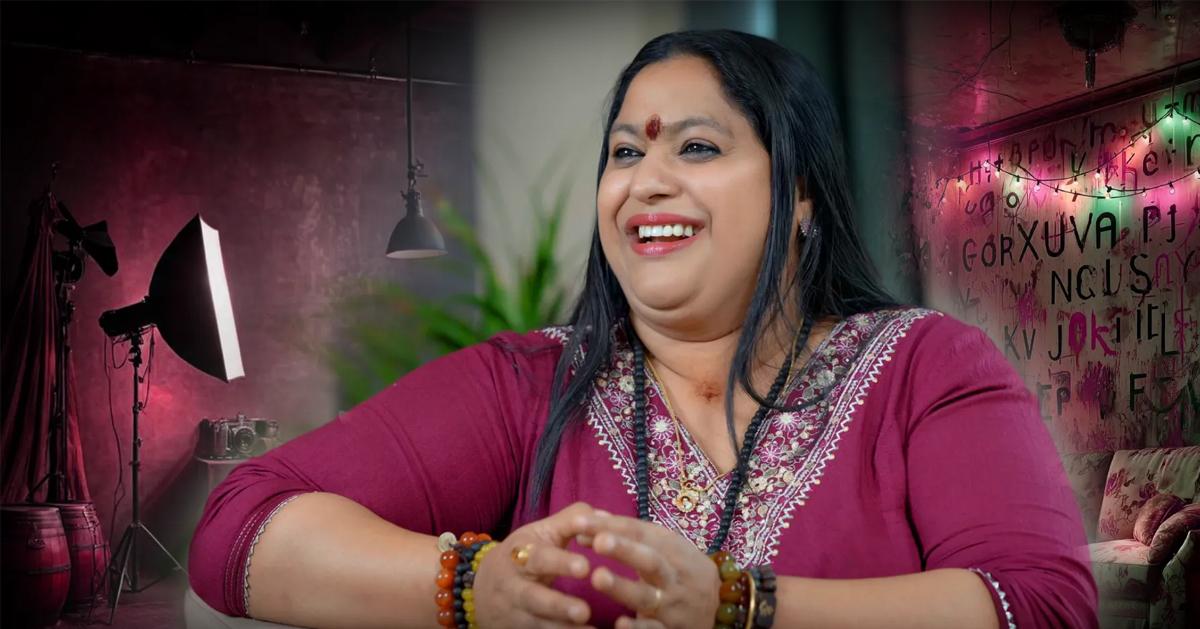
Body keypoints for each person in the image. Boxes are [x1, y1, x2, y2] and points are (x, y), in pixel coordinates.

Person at [189, 30, 1097, 629]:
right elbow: (240, 526)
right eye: (626, 151)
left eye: (696, 147)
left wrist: (739, 604)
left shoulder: (925, 366)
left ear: (802, 194)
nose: (644, 181)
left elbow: (1042, 603)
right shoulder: (533, 383)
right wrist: (473, 586)